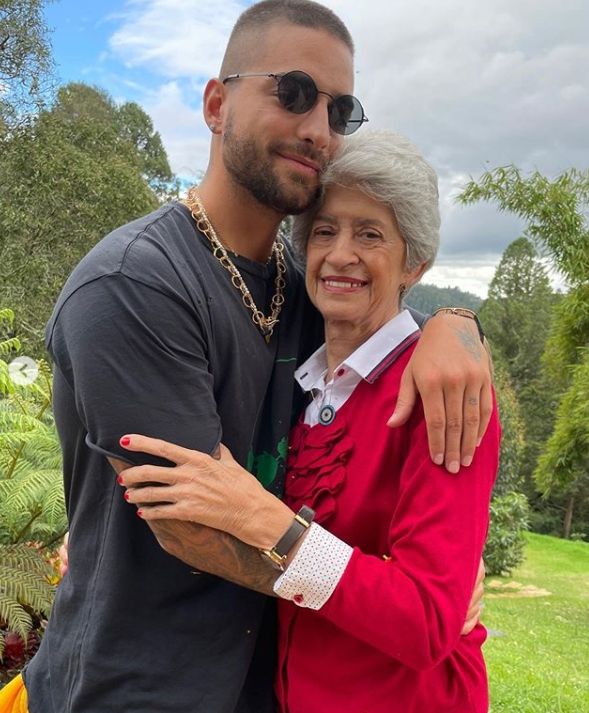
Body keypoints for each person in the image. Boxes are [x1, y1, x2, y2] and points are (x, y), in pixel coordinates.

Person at [2, 2, 491, 712]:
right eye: (292, 93)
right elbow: (193, 526)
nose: (317, 129)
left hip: (265, 691)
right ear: (216, 104)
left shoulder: (305, 290)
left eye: (339, 111)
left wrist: (457, 324)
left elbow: (385, 316)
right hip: (135, 689)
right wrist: (401, 605)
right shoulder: (136, 283)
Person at [117, 130, 499, 712]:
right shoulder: (302, 376)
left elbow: (427, 623)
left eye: (370, 234)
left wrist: (267, 522)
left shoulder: (441, 394)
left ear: (414, 264)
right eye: (324, 231)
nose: (341, 254)